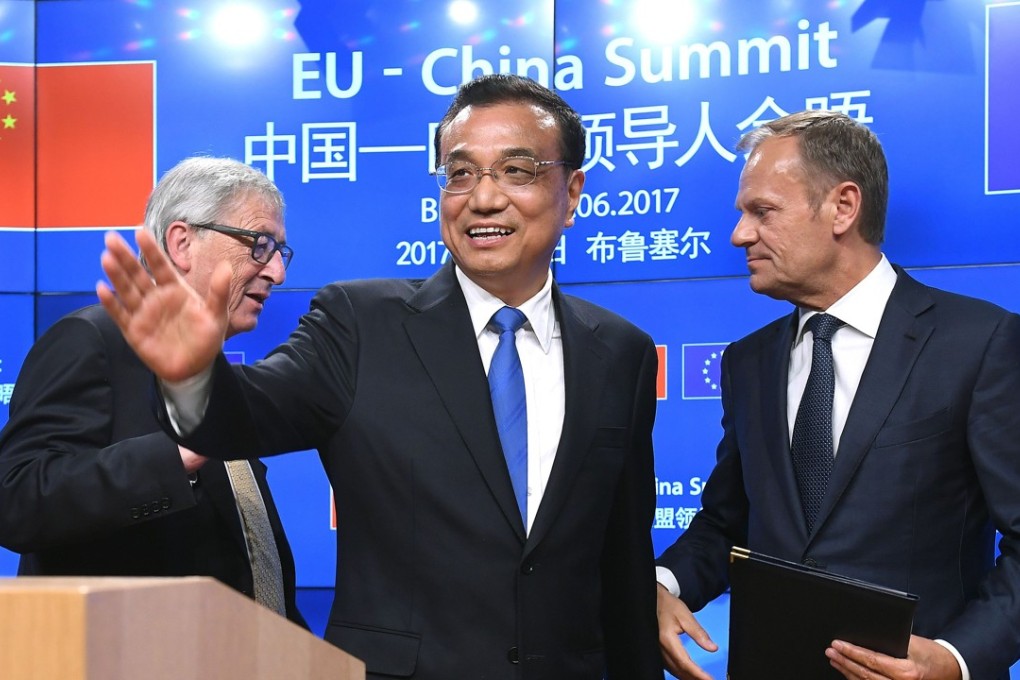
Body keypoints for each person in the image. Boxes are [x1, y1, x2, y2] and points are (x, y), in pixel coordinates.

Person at [95, 74, 662, 679]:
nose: (483, 198)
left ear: (572, 192)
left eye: (517, 172)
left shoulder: (619, 352)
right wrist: (191, 378)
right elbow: (243, 417)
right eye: (460, 173)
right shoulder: (359, 323)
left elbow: (622, 560)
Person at [654, 110, 1020, 680]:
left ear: (843, 207)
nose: (739, 234)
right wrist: (660, 585)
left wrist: (955, 659)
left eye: (762, 211)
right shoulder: (748, 362)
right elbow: (729, 524)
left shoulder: (978, 342)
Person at [0, 156, 306, 627]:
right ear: (182, 243)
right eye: (258, 245)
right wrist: (175, 455)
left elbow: (249, 570)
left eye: (279, 252)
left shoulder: (220, 381)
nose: (276, 274)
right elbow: (18, 498)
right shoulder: (93, 340)